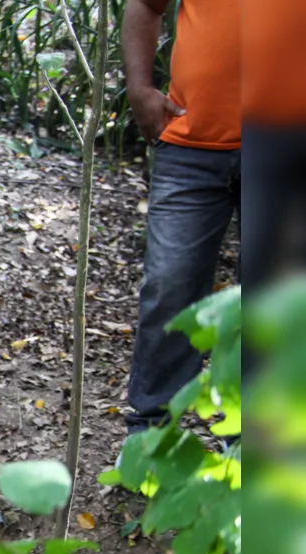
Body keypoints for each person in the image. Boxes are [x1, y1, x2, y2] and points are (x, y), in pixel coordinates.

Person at [121, 0, 241, 436]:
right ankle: (151, 438)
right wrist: (139, 87)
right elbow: (145, 5)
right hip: (190, 145)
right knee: (170, 286)